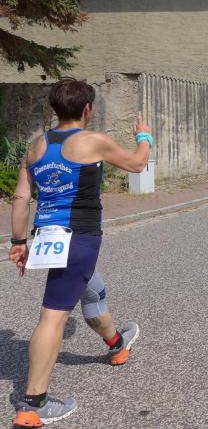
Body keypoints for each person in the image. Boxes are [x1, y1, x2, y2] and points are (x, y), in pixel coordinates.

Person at [8, 77, 153, 427]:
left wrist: (18, 242)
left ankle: (117, 345)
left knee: (91, 290)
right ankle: (33, 405)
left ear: (55, 108)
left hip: (47, 236)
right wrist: (144, 137)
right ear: (87, 109)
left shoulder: (37, 145)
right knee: (53, 315)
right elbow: (137, 164)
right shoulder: (93, 141)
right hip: (79, 238)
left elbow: (22, 196)